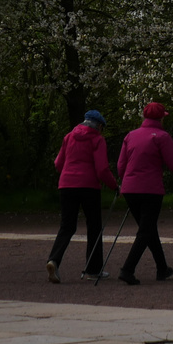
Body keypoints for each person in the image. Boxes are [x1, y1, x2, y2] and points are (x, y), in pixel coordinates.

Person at [114, 101, 173, 285]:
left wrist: (126, 180)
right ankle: (127, 269)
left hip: (130, 189)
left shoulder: (130, 136)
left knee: (148, 229)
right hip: (150, 190)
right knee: (145, 230)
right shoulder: (162, 136)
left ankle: (162, 268)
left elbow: (120, 167)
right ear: (161, 118)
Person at [47, 109, 120, 283]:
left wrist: (68, 174)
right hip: (88, 187)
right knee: (94, 227)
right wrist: (114, 186)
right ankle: (93, 269)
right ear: (99, 125)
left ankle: (54, 260)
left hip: (66, 185)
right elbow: (102, 169)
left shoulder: (69, 137)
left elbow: (58, 163)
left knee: (67, 226)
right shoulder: (97, 139)